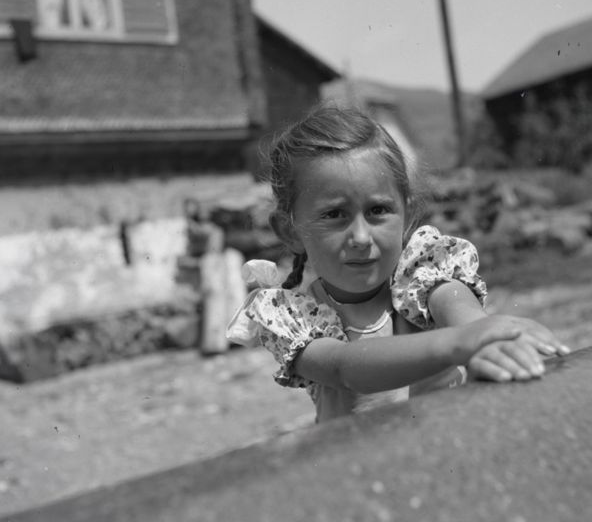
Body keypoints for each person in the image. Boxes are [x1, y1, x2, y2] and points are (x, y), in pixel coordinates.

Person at [227, 105, 570, 423]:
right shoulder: (291, 318)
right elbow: (346, 369)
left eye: (377, 210)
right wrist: (462, 343)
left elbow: (465, 316)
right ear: (290, 231)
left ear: (407, 212)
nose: (361, 237)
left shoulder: (426, 272)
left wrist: (495, 339)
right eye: (334, 214)